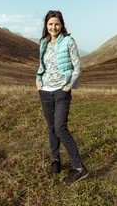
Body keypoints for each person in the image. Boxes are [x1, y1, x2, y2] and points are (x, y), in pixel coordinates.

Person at [36, 10, 88, 184]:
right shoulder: (43, 42)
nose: (53, 27)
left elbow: (77, 67)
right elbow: (42, 65)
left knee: (60, 128)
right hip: (45, 91)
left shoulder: (68, 41)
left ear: (62, 25)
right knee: (51, 128)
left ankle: (79, 168)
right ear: (46, 25)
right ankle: (55, 161)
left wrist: (67, 87)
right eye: (50, 24)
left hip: (61, 91)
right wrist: (38, 79)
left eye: (56, 24)